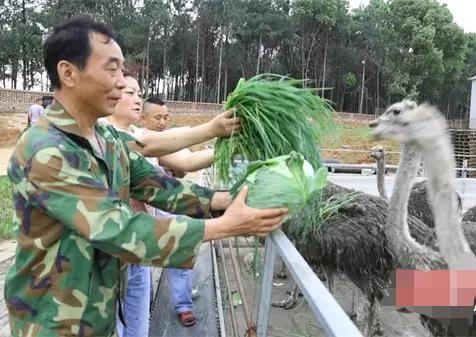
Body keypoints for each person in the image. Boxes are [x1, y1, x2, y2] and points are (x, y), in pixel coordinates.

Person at [5, 15, 288, 337]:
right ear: (68, 72)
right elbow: (116, 228)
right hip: (51, 321)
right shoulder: (46, 149)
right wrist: (224, 226)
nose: (123, 83)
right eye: (111, 69)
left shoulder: (107, 140)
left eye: (122, 71)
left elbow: (159, 187)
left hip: (98, 313)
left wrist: (228, 200)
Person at [143, 96, 214, 327]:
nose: (162, 122)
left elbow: (184, 166)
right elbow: (188, 162)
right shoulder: (142, 142)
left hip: (168, 209)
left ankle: (183, 305)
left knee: (180, 254)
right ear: (143, 118)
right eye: (157, 117)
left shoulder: (164, 143)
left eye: (166, 117)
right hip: (145, 215)